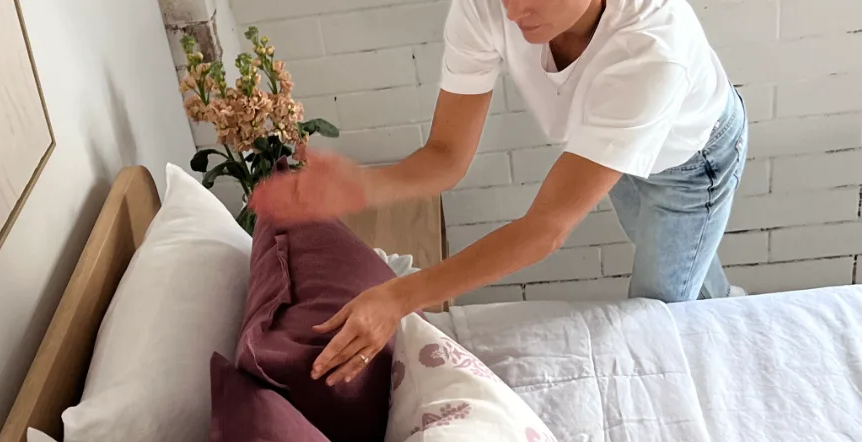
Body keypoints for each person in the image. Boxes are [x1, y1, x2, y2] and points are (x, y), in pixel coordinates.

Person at [251, 0, 748, 386]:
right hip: (626, 150)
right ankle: (733, 310)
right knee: (681, 258)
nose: (513, 11)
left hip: (692, 164)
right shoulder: (487, 5)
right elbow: (447, 154)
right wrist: (365, 187)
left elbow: (545, 230)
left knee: (657, 312)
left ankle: (719, 374)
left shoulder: (652, 49)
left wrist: (400, 296)